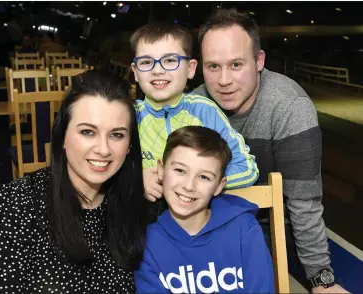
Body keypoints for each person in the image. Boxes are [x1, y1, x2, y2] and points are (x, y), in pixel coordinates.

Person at [193, 7, 348, 293]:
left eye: (236, 65)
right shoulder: (194, 106)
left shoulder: (290, 107)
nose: (224, 80)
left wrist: (321, 280)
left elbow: (304, 203)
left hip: (268, 223)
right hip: (205, 218)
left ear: (259, 60)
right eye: (213, 66)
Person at [0, 70, 152, 293]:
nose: (103, 149)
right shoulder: (15, 206)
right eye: (87, 132)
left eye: (117, 135)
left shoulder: (133, 205)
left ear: (130, 146)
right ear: (62, 137)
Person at [134, 126, 274, 293]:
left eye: (204, 177)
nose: (189, 186)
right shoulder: (146, 242)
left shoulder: (244, 228)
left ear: (218, 186)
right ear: (161, 171)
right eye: (180, 170)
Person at [130, 22, 259, 202]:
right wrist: (135, 179)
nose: (157, 70)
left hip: (200, 221)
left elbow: (246, 167)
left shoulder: (205, 112)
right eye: (146, 62)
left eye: (170, 61)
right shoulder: (128, 117)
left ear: (190, 68)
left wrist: (202, 181)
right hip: (143, 221)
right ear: (135, 72)